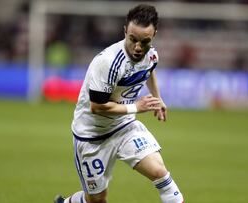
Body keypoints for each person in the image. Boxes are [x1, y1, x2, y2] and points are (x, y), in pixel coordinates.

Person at [54, 4, 184, 203]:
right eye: (132, 39)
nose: (138, 47)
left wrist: (157, 99)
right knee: (97, 200)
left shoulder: (150, 55)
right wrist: (137, 107)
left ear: (154, 35)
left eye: (145, 41)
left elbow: (149, 69)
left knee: (160, 173)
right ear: (125, 31)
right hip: (92, 135)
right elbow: (97, 106)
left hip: (125, 127)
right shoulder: (108, 62)